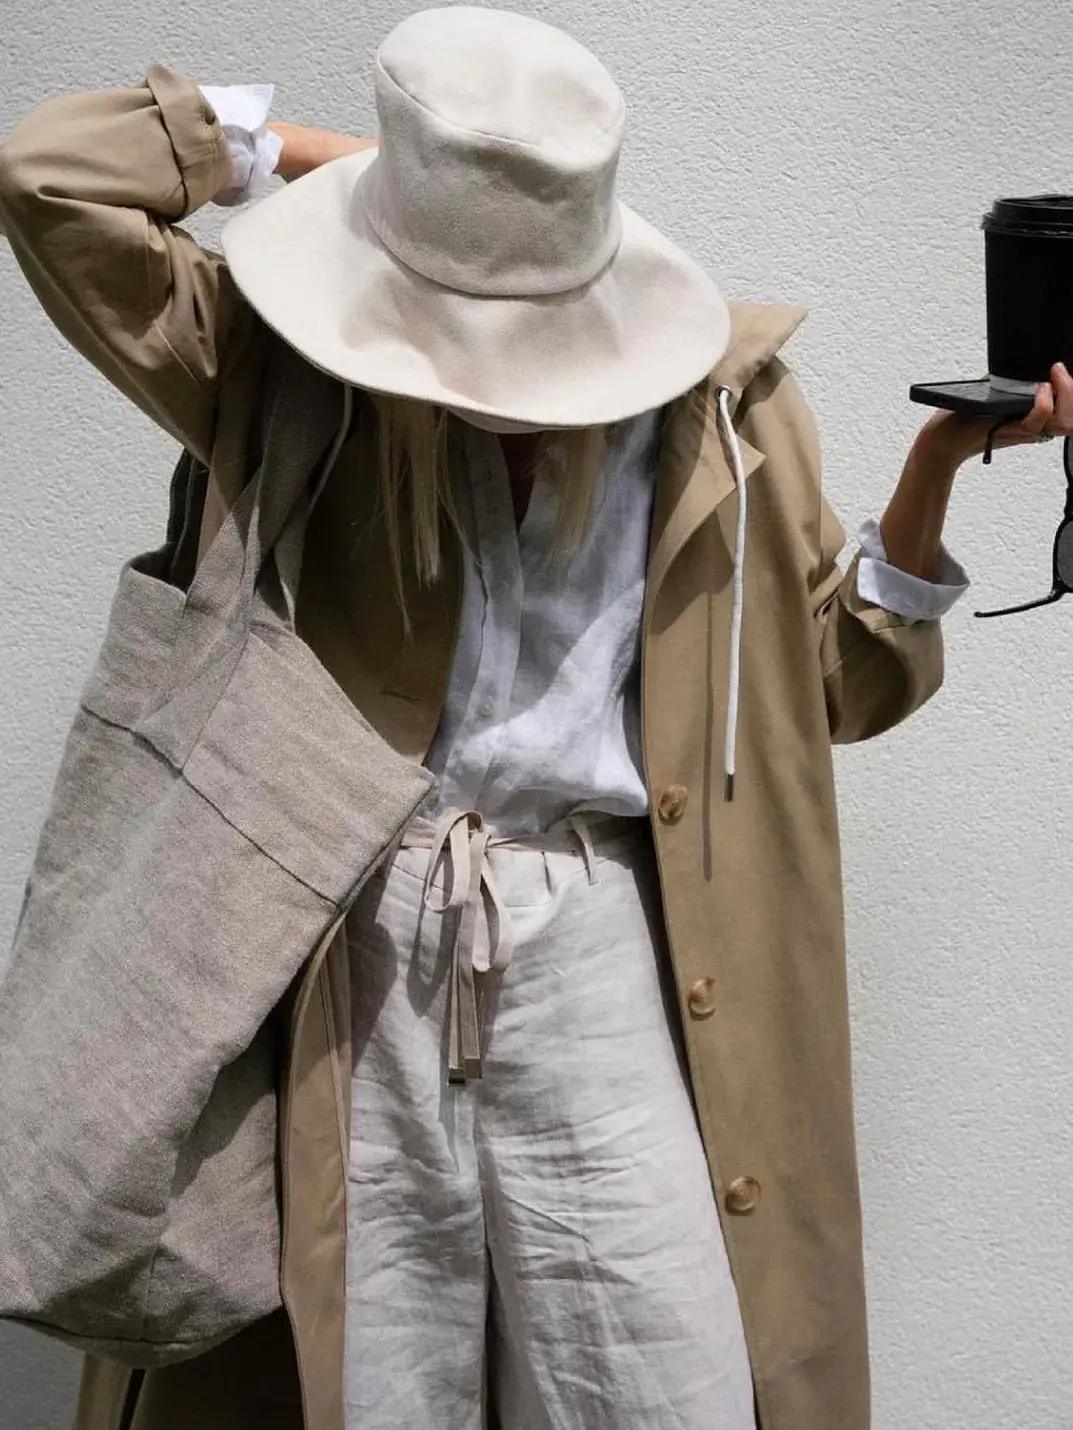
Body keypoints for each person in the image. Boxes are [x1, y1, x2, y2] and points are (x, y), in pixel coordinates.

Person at [1, 8, 1070, 1430]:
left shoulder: (722, 410)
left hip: (598, 943)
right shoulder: (290, 377)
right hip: (357, 953)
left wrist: (935, 470)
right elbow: (48, 176)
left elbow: (839, 686)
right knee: (370, 1383)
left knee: (656, 1381)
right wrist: (340, 168)